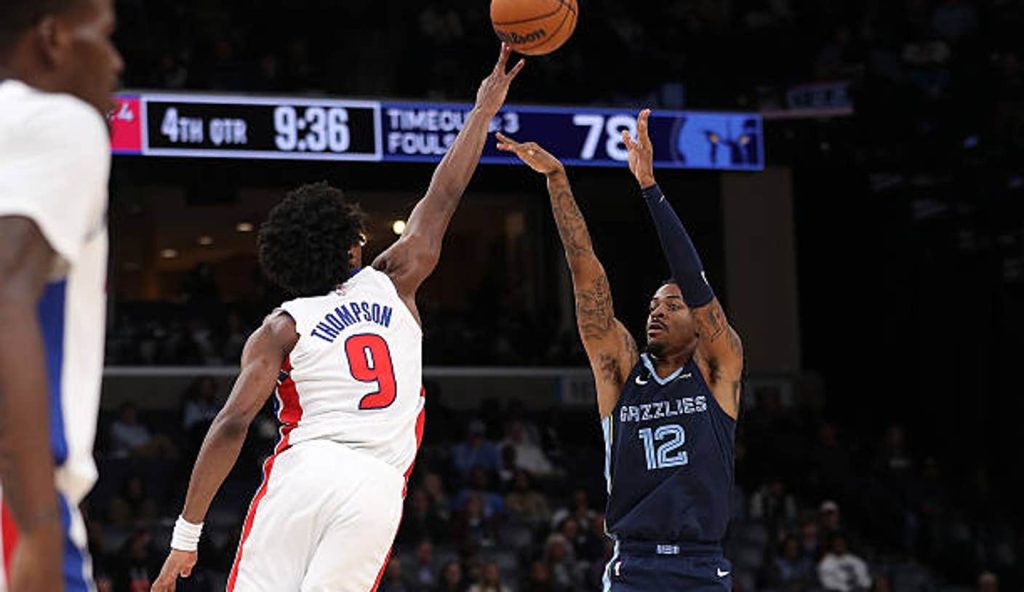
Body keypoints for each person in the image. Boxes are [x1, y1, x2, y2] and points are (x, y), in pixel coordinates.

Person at [151, 44, 524, 592]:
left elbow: (231, 423)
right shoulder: (396, 279)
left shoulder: (281, 326)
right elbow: (443, 194)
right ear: (348, 248)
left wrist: (186, 537)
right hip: (376, 486)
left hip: (306, 473)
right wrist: (481, 114)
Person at [497, 108, 743, 590]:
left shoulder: (719, 367)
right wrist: (557, 180)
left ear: (699, 321)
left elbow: (693, 279)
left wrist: (649, 187)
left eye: (672, 305)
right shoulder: (623, 370)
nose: (656, 311)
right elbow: (585, 268)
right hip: (635, 565)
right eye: (653, 304)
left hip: (703, 566)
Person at [0, 0, 122, 590]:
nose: (116, 62)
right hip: (15, 498)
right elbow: (5, 295)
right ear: (52, 39)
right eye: (103, 36)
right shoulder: (60, 120)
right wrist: (40, 526)